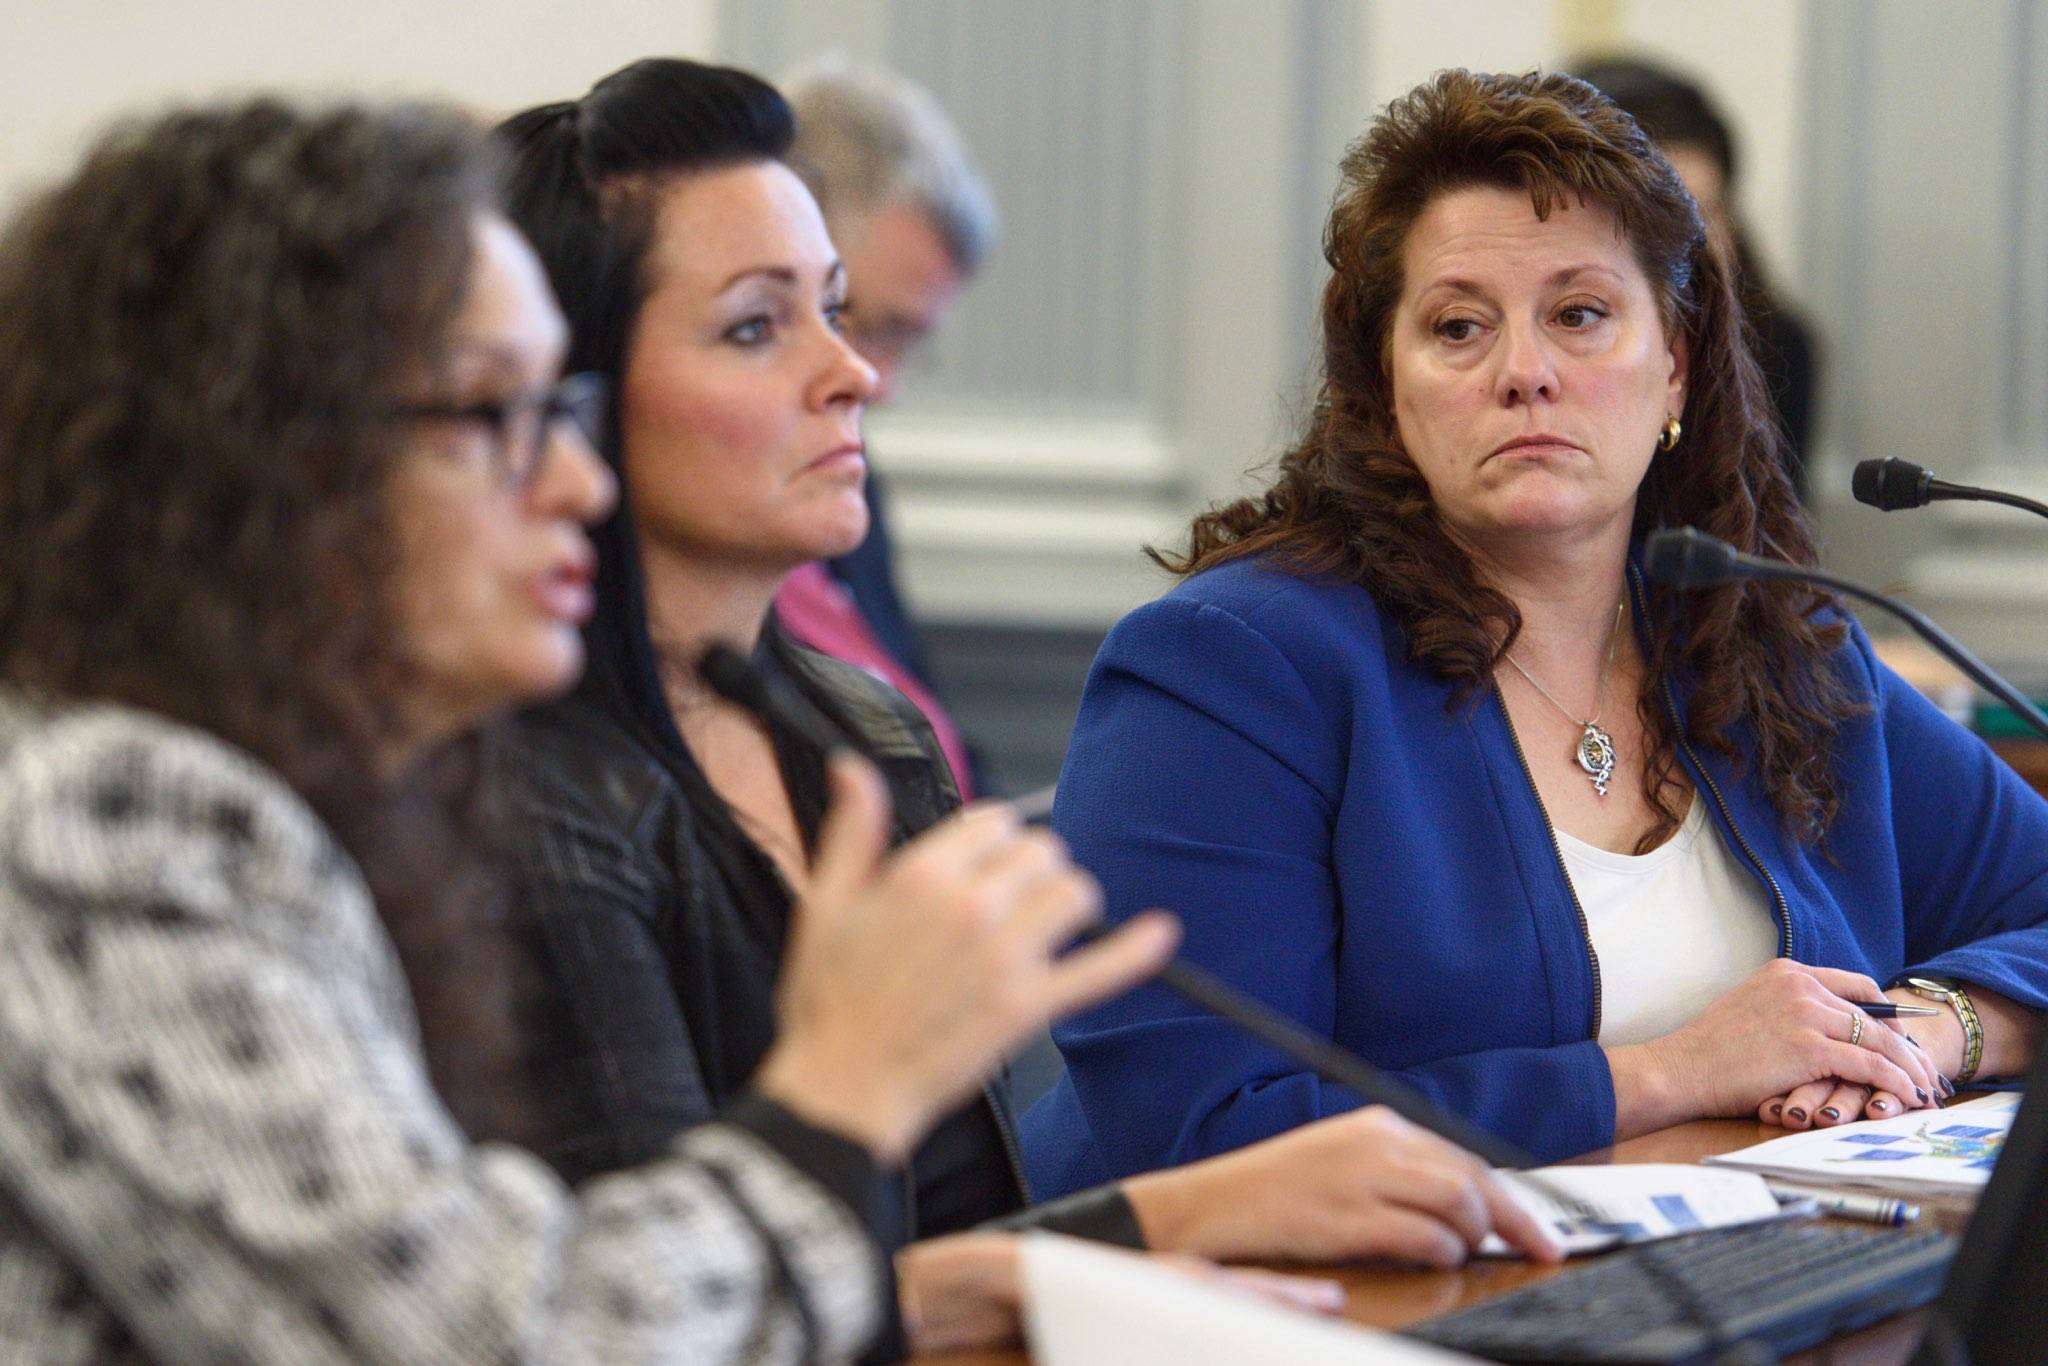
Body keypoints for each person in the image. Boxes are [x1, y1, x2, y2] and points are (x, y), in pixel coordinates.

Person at [0, 97, 1177, 1363]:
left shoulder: (363, 797)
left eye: (554, 409)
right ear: (265, 456)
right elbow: (508, 1339)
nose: (576, 479)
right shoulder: (108, 820)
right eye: (489, 414)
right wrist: (845, 1086)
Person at [494, 55, 1560, 1314]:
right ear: (555, 397)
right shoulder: (517, 797)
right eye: (752, 326)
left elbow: (950, 1233)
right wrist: (1161, 1237)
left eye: (835, 309)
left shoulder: (861, 734)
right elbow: (667, 1325)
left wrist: (1210, 1211)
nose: (852, 374)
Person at [1023, 69, 2048, 1196]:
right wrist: (1665, 1073)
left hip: (1738, 1283)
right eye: (1458, 326)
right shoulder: (1230, 669)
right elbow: (1202, 1130)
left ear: (1674, 367)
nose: (1523, 373)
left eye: (1578, 314)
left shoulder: (1766, 641)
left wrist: (1931, 1027)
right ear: (1386, 390)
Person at [774, 56, 997, 795]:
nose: (878, 382)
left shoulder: (855, 484)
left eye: (910, 342)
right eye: (870, 326)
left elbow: (930, 729)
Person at [1571, 55, 1820, 498]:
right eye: (1659, 218)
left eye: (1706, 212)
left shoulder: (1778, 345)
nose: (1691, 246)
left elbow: (1775, 535)